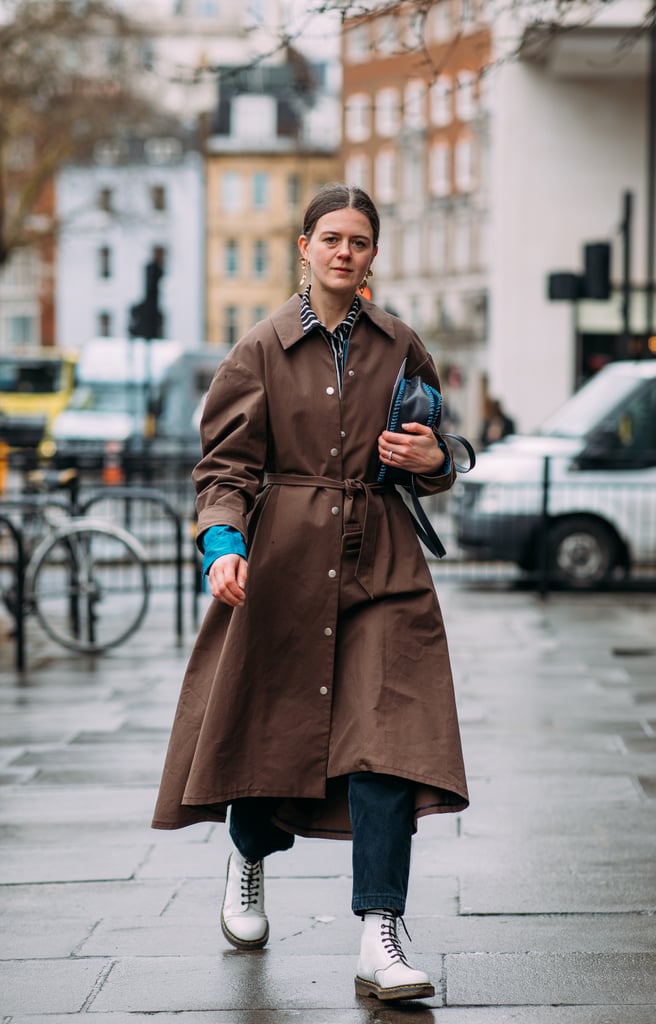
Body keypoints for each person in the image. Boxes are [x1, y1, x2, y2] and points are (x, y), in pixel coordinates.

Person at [152, 183, 468, 1003]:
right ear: (305, 246)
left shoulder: (401, 344)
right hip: (283, 568)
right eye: (330, 237)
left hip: (384, 570)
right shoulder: (259, 349)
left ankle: (379, 933)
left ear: (371, 255)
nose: (343, 252)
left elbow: (446, 447)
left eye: (359, 241)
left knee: (390, 742)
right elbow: (223, 469)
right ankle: (248, 856)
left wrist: (431, 457)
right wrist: (222, 543)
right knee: (270, 740)